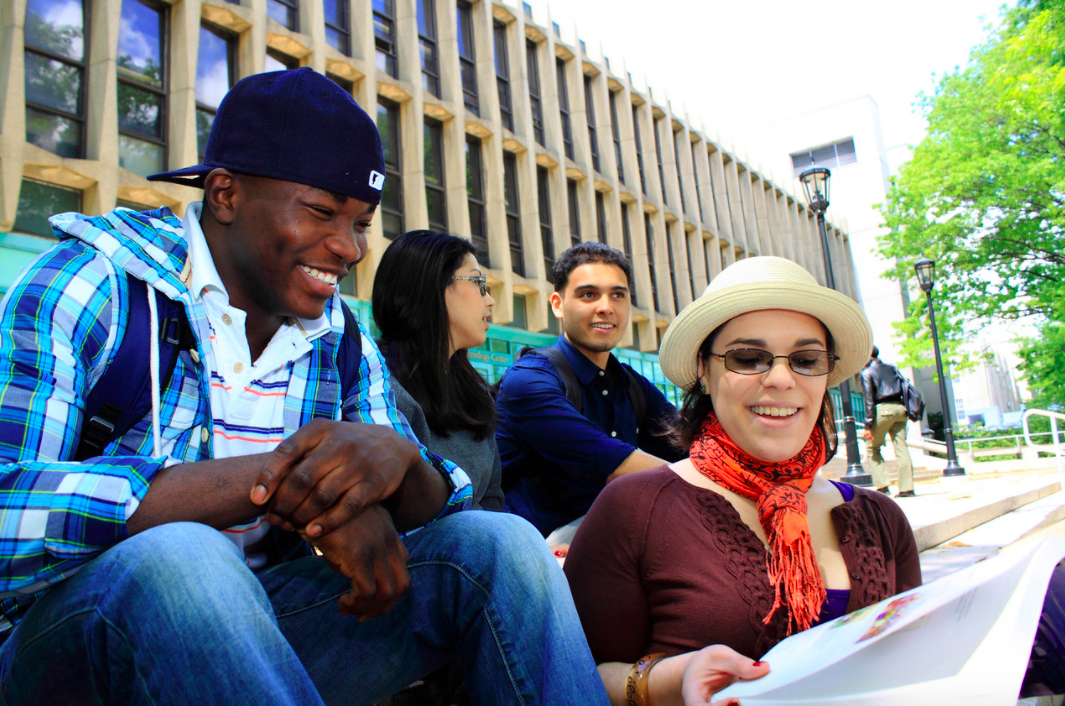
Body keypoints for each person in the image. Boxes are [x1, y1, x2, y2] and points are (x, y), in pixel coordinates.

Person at [0, 68, 608, 706]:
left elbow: (434, 507)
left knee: (500, 545)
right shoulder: (91, 283)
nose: (348, 247)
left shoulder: (338, 331)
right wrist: (286, 484)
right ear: (226, 194)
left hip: (262, 632)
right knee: (183, 559)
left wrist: (397, 468)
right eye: (321, 211)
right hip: (63, 658)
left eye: (363, 222)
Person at [563, 256, 922, 705]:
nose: (780, 379)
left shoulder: (882, 519)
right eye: (748, 358)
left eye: (807, 359)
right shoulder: (634, 509)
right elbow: (572, 679)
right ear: (704, 373)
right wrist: (667, 680)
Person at [495, 242, 683, 538]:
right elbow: (606, 460)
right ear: (557, 304)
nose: (606, 307)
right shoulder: (529, 379)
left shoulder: (632, 384)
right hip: (533, 560)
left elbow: (688, 444)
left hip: (608, 546)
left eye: (617, 295)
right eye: (588, 294)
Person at [373, 230, 503, 511]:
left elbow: (492, 496)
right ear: (430, 285)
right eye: (478, 283)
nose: (490, 300)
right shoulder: (376, 385)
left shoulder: (476, 392)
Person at [860, 346, 916, 497]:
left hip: (883, 410)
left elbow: (869, 400)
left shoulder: (867, 372)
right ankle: (907, 488)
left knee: (873, 448)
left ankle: (882, 486)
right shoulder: (892, 368)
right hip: (900, 409)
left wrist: (867, 425)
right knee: (901, 448)